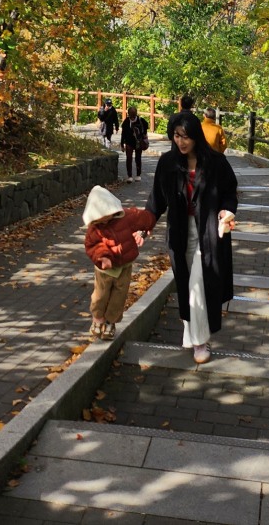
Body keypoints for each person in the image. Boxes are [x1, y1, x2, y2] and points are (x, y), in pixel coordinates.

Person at [146, 110, 237, 365]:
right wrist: (144, 225)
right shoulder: (168, 163)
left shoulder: (216, 162)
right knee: (187, 284)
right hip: (180, 232)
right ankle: (190, 331)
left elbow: (230, 192)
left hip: (208, 232)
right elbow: (156, 200)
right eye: (176, 136)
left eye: (185, 136)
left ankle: (200, 342)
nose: (181, 141)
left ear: (196, 135)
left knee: (199, 284)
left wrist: (227, 210)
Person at [83, 185, 155, 341]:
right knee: (100, 295)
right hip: (104, 270)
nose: (103, 221)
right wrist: (103, 257)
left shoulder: (126, 217)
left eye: (105, 216)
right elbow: (92, 245)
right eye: (99, 218)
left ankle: (111, 322)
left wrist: (149, 224)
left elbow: (143, 217)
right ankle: (98, 319)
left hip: (124, 266)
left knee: (119, 295)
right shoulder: (95, 228)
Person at [120, 105, 149, 183]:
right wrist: (122, 144)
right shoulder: (126, 122)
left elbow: (146, 127)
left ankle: (138, 175)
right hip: (129, 142)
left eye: (133, 117)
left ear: (136, 115)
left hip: (138, 142)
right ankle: (129, 176)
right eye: (131, 117)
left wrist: (143, 134)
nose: (132, 118)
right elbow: (123, 134)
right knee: (129, 158)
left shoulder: (141, 120)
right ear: (128, 115)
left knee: (138, 158)